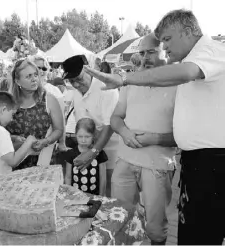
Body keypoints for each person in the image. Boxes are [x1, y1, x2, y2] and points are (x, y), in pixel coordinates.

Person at [83, 9, 225, 245]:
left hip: (204, 164)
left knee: (180, 231)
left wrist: (125, 79)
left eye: (166, 41)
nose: (164, 47)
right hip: (194, 164)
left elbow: (186, 72)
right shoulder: (184, 69)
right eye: (143, 52)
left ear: (188, 31)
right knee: (189, 232)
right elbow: (117, 118)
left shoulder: (206, 57)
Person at [110, 33, 177, 245]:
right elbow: (115, 117)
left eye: (151, 52)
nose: (145, 57)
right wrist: (125, 132)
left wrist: (154, 138)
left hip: (156, 165)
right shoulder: (130, 82)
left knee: (155, 227)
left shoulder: (180, 85)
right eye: (141, 52)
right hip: (125, 161)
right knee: (119, 219)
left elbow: (184, 135)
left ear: (166, 51)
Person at [62, 55, 119, 197]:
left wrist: (93, 152)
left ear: (89, 70)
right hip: (88, 150)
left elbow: (109, 126)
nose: (75, 84)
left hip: (111, 150)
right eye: (71, 81)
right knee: (88, 190)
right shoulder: (76, 92)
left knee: (108, 191)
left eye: (79, 79)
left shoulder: (107, 89)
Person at [6, 58, 64, 170]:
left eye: (35, 75)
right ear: (17, 81)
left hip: (44, 161)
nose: (34, 79)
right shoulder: (9, 103)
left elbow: (59, 129)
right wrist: (13, 138)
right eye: (28, 76)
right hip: (15, 163)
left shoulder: (49, 99)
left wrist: (45, 141)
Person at [64, 118, 107, 196]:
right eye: (80, 136)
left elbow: (103, 177)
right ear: (75, 134)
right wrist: (68, 194)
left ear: (93, 136)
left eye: (87, 137)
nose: (83, 140)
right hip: (76, 196)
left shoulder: (99, 154)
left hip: (95, 196)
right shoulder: (70, 154)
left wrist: (101, 196)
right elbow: (68, 177)